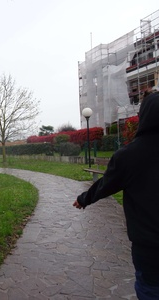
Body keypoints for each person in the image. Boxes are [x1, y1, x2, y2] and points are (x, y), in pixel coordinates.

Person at [73, 86, 159, 300]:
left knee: (150, 289)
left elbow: (106, 185)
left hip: (149, 247)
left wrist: (84, 199)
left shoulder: (129, 156)